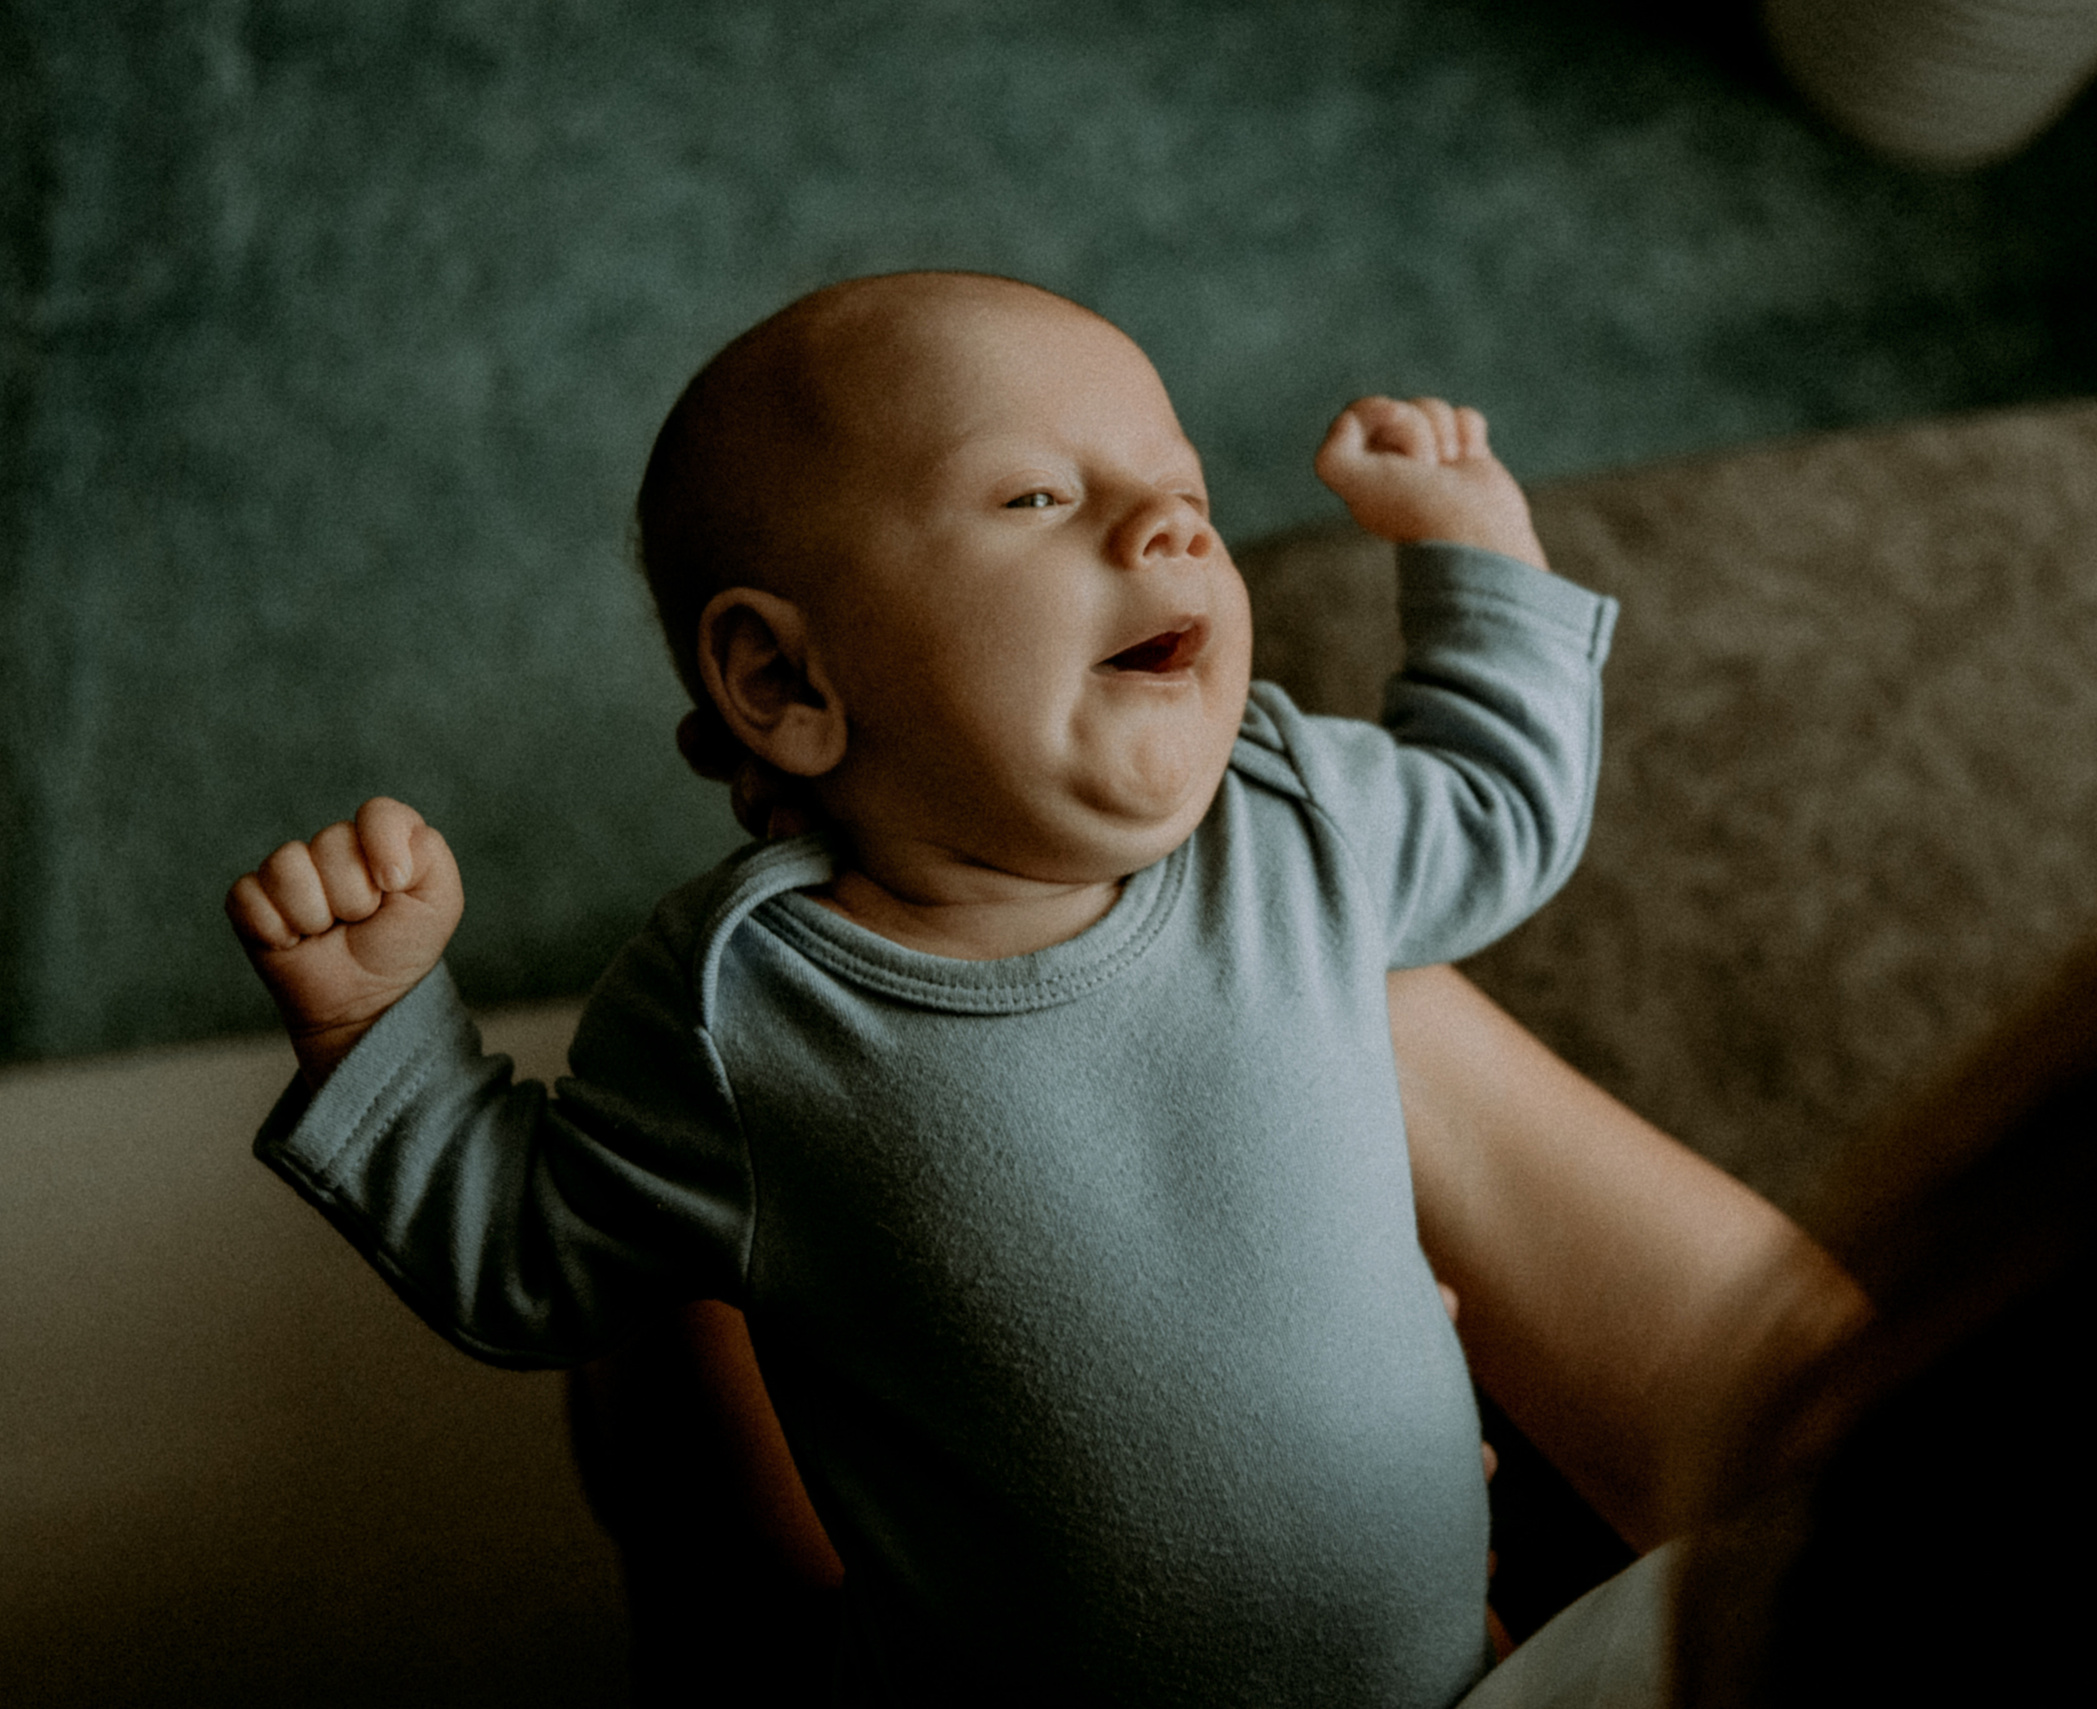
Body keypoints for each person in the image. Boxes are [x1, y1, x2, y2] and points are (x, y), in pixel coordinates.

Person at [227, 269, 1656, 1705]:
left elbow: (1496, 810)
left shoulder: (1291, 814)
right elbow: (525, 1251)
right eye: (1037, 498)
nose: (1167, 525)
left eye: (1186, 494)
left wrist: (1480, 549)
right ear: (782, 677)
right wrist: (372, 1027)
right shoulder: (748, 1006)